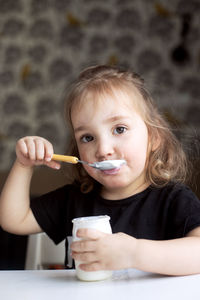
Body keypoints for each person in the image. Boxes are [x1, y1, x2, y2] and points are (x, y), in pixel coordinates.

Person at [1, 65, 200, 276]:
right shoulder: (75, 199)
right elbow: (14, 220)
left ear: (154, 138)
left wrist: (134, 253)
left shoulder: (173, 200)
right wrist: (24, 165)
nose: (103, 150)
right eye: (88, 138)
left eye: (119, 129)